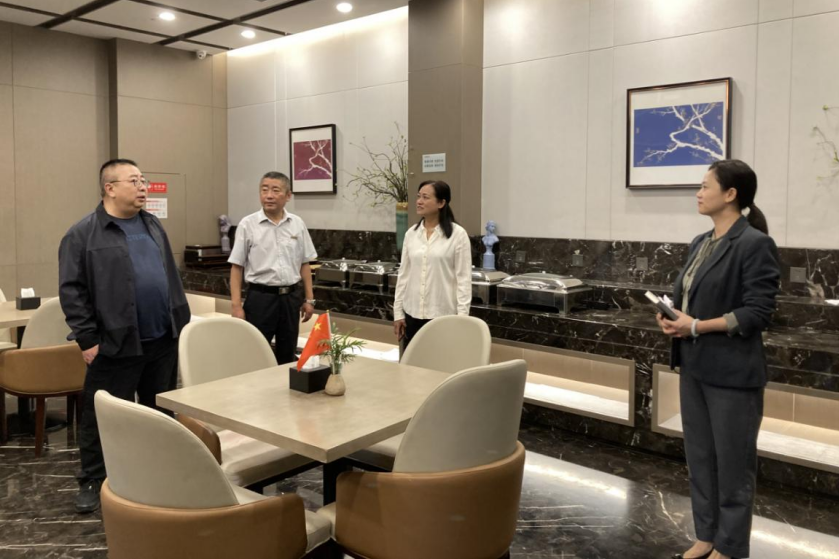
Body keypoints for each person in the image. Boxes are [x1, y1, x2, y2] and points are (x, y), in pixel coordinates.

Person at [657, 159, 780, 559]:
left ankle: (729, 546)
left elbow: (757, 312)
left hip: (733, 373)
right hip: (695, 367)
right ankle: (706, 536)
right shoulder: (700, 242)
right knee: (701, 459)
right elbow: (693, 299)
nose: (698, 193)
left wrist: (696, 326)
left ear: (731, 194)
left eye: (705, 186)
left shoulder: (754, 243)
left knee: (733, 466)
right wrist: (673, 316)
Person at [59, 158, 190, 514]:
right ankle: (92, 479)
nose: (143, 186)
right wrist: (87, 339)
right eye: (134, 181)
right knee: (103, 416)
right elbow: (72, 290)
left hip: (162, 339)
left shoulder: (152, 224)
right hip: (115, 343)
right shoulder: (83, 234)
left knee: (158, 411)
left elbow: (166, 274)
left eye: (143, 180)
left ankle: (155, 471)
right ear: (110, 188)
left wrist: (179, 318)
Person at [228, 172, 317, 364]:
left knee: (288, 354)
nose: (269, 195)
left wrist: (309, 299)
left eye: (275, 190)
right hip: (260, 299)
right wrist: (236, 306)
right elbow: (236, 267)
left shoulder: (297, 224)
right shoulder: (247, 224)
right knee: (254, 354)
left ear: (288, 195)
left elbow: (304, 263)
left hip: (290, 299)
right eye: (264, 190)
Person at [393, 180, 472, 347]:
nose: (419, 201)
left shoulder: (458, 235)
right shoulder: (411, 234)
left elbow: (464, 280)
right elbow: (404, 275)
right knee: (411, 362)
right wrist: (398, 313)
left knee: (440, 362)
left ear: (441, 203)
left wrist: (462, 318)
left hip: (443, 316)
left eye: (425, 197)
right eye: (418, 196)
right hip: (412, 315)